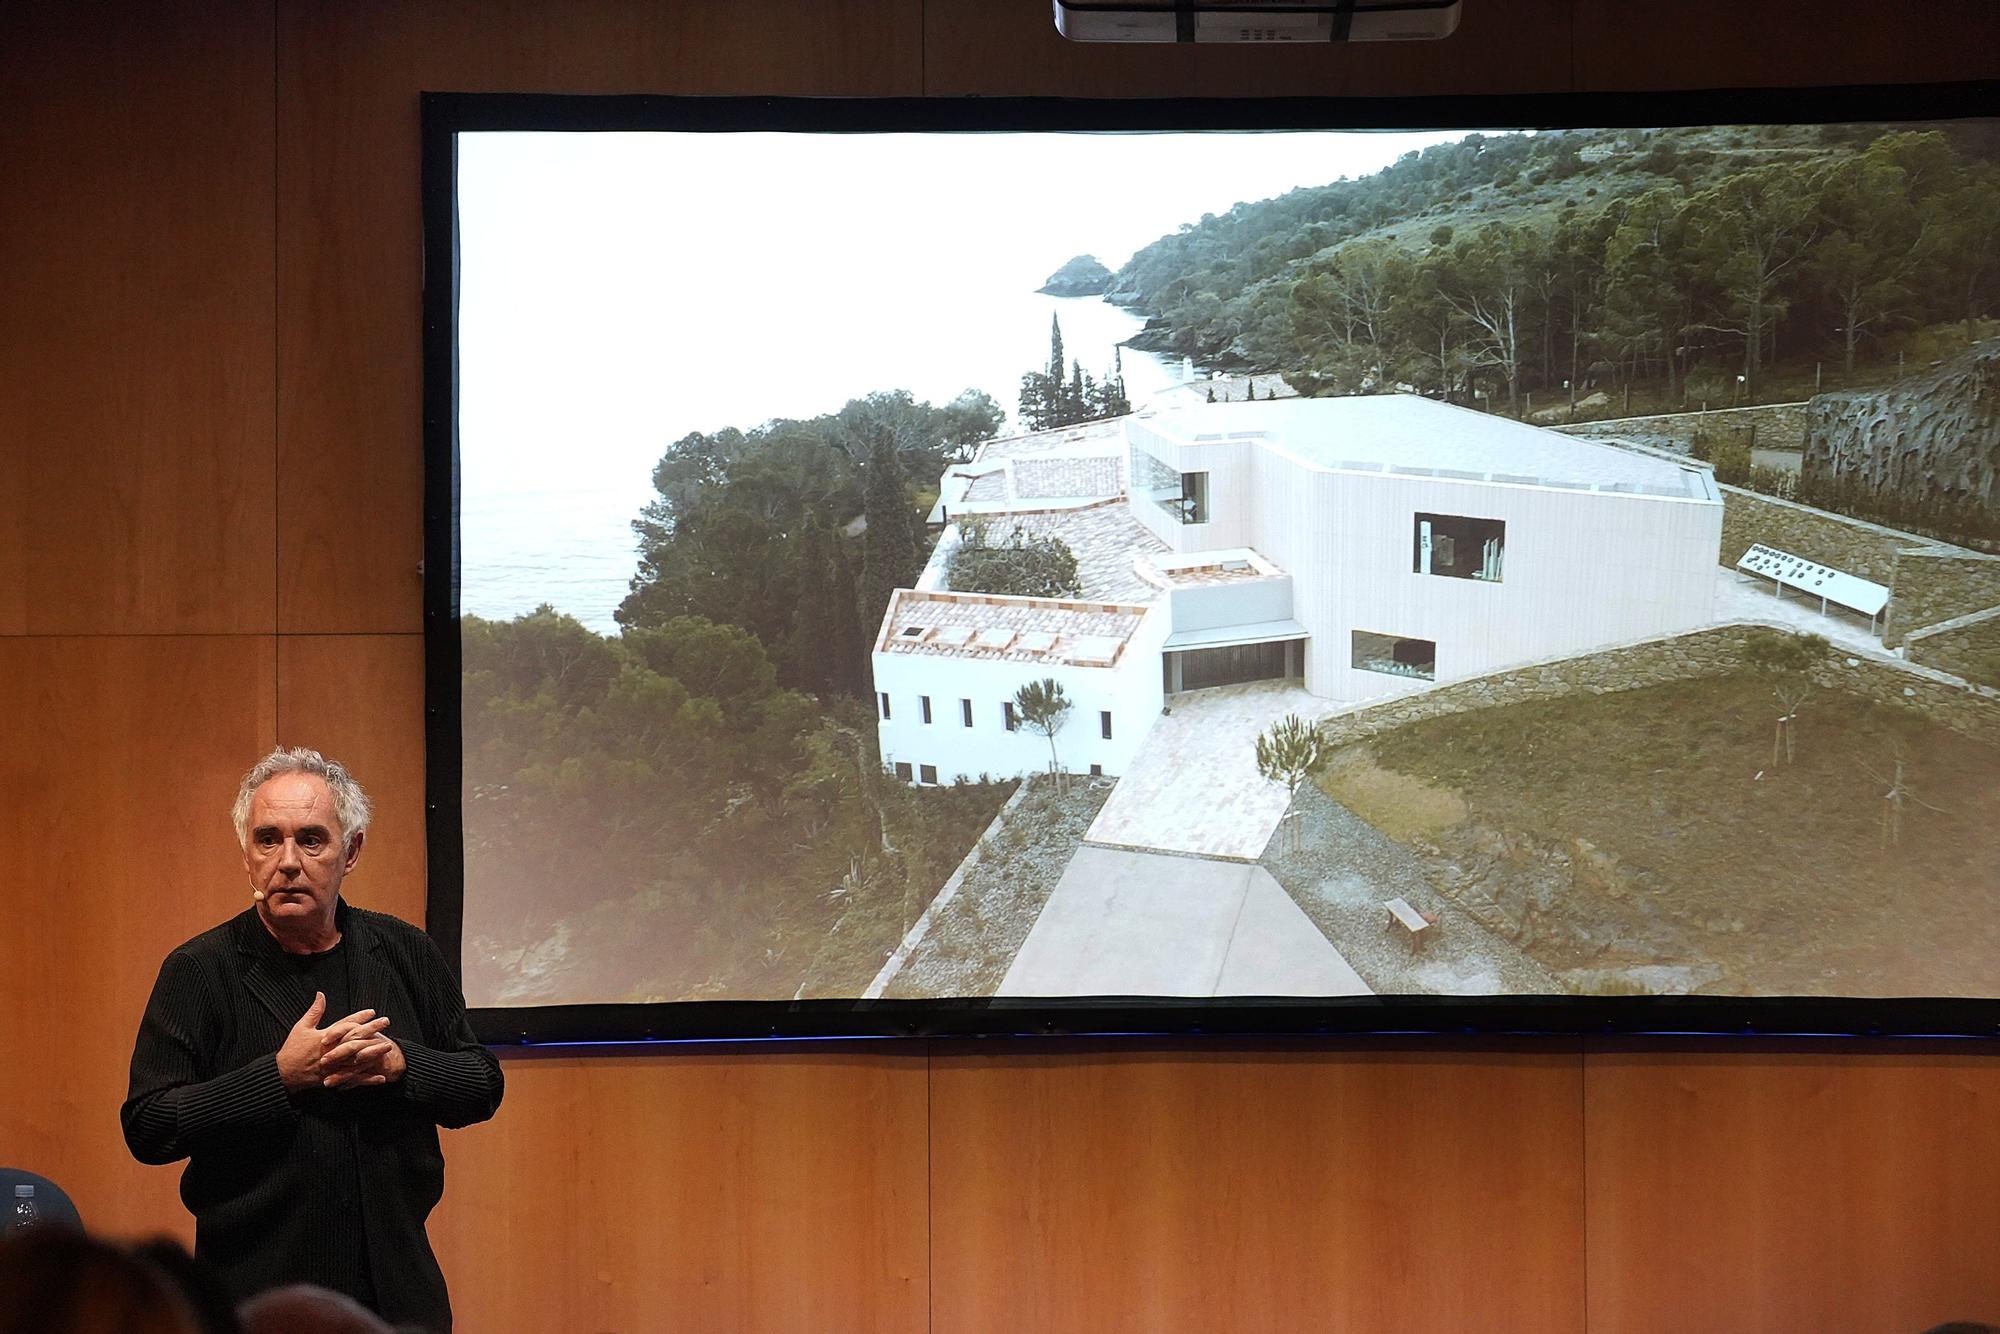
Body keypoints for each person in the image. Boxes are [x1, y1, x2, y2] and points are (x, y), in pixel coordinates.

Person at [123, 748, 503, 1334]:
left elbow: (481, 1084)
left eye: (312, 840)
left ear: (351, 851)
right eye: (268, 839)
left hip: (397, 1287)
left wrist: (403, 1065)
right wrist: (277, 1078)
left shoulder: (405, 952)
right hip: (253, 1293)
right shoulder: (200, 970)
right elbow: (148, 1125)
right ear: (246, 853)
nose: (288, 862)